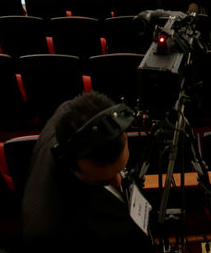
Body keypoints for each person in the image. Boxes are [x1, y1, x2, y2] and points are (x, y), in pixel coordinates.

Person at [22, 92, 153, 252]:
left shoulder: (71, 116)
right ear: (70, 165)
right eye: (103, 181)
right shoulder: (49, 235)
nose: (118, 181)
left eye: (120, 168)